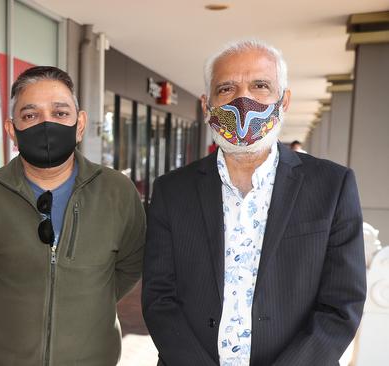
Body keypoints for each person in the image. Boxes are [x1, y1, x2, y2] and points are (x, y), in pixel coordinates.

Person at [142, 40, 366, 366]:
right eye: (226, 88)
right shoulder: (171, 191)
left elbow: (341, 304)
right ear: (207, 105)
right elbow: (159, 297)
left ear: (284, 100)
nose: (242, 100)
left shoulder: (333, 186)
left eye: (260, 86)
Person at [0, 66, 146, 365]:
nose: (46, 125)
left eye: (60, 114)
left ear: (80, 123)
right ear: (12, 130)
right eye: (30, 116)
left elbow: (129, 265)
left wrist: (86, 298)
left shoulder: (118, 192)